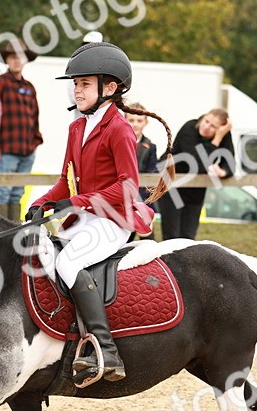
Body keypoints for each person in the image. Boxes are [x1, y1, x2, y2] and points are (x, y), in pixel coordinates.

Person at [26, 41, 165, 385]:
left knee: (68, 263)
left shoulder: (119, 129)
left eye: (84, 84)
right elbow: (65, 181)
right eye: (75, 84)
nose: (77, 90)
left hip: (113, 219)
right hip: (85, 218)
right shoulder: (77, 127)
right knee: (39, 253)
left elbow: (128, 187)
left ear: (110, 87)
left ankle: (107, 350)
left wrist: (77, 202)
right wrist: (41, 202)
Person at [157, 109, 235, 240]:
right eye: (206, 121)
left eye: (213, 126)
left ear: (221, 129)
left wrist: (222, 171)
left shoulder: (224, 135)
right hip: (172, 186)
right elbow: (197, 165)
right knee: (172, 237)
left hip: (195, 190)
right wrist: (217, 139)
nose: (206, 127)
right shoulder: (190, 128)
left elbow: (230, 166)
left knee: (188, 238)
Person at [0, 40, 42, 222]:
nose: (16, 61)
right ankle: (0, 232)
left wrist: (35, 141)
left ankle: (14, 230)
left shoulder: (29, 87)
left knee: (17, 193)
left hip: (27, 150)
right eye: (13, 57)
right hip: (6, 149)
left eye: (20, 57)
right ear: (7, 60)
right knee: (2, 193)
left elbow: (35, 117)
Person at [125, 100, 160, 202]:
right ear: (124, 120)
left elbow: (152, 173)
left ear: (146, 122)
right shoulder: (114, 142)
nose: (135, 124)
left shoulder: (151, 147)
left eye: (139, 121)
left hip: (141, 197)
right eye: (131, 120)